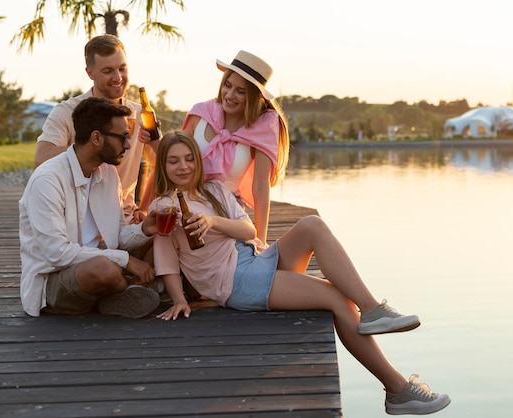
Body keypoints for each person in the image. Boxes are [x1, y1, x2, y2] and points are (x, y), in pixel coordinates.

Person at [150, 130, 451, 415]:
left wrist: (212, 221)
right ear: (163, 165)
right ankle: (398, 389)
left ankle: (372, 310)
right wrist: (178, 299)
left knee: (311, 225)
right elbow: (166, 261)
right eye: (173, 160)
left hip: (254, 258)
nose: (183, 166)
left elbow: (248, 229)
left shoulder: (214, 190)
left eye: (189, 158)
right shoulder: (165, 208)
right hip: (236, 283)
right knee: (336, 298)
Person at [19, 97, 163, 319]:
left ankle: (118, 294)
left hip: (101, 261)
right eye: (123, 137)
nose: (128, 145)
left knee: (161, 234)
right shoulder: (47, 180)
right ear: (96, 137)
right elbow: (57, 254)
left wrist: (145, 229)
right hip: (55, 279)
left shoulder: (108, 173)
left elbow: (117, 236)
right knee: (103, 268)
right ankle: (126, 290)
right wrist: (126, 261)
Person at [35, 34, 159, 224]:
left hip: (124, 218)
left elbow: (163, 163)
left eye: (122, 68)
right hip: (80, 218)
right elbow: (42, 157)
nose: (118, 77)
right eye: (108, 70)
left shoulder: (140, 113)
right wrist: (94, 147)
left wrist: (144, 207)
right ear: (90, 72)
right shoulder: (67, 111)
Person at [181, 50, 290, 249]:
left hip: (226, 211)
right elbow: (168, 162)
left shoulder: (263, 128)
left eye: (240, 91)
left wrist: (262, 241)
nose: (230, 95)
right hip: (186, 203)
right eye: (228, 86)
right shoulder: (200, 114)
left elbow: (260, 186)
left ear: (254, 97)